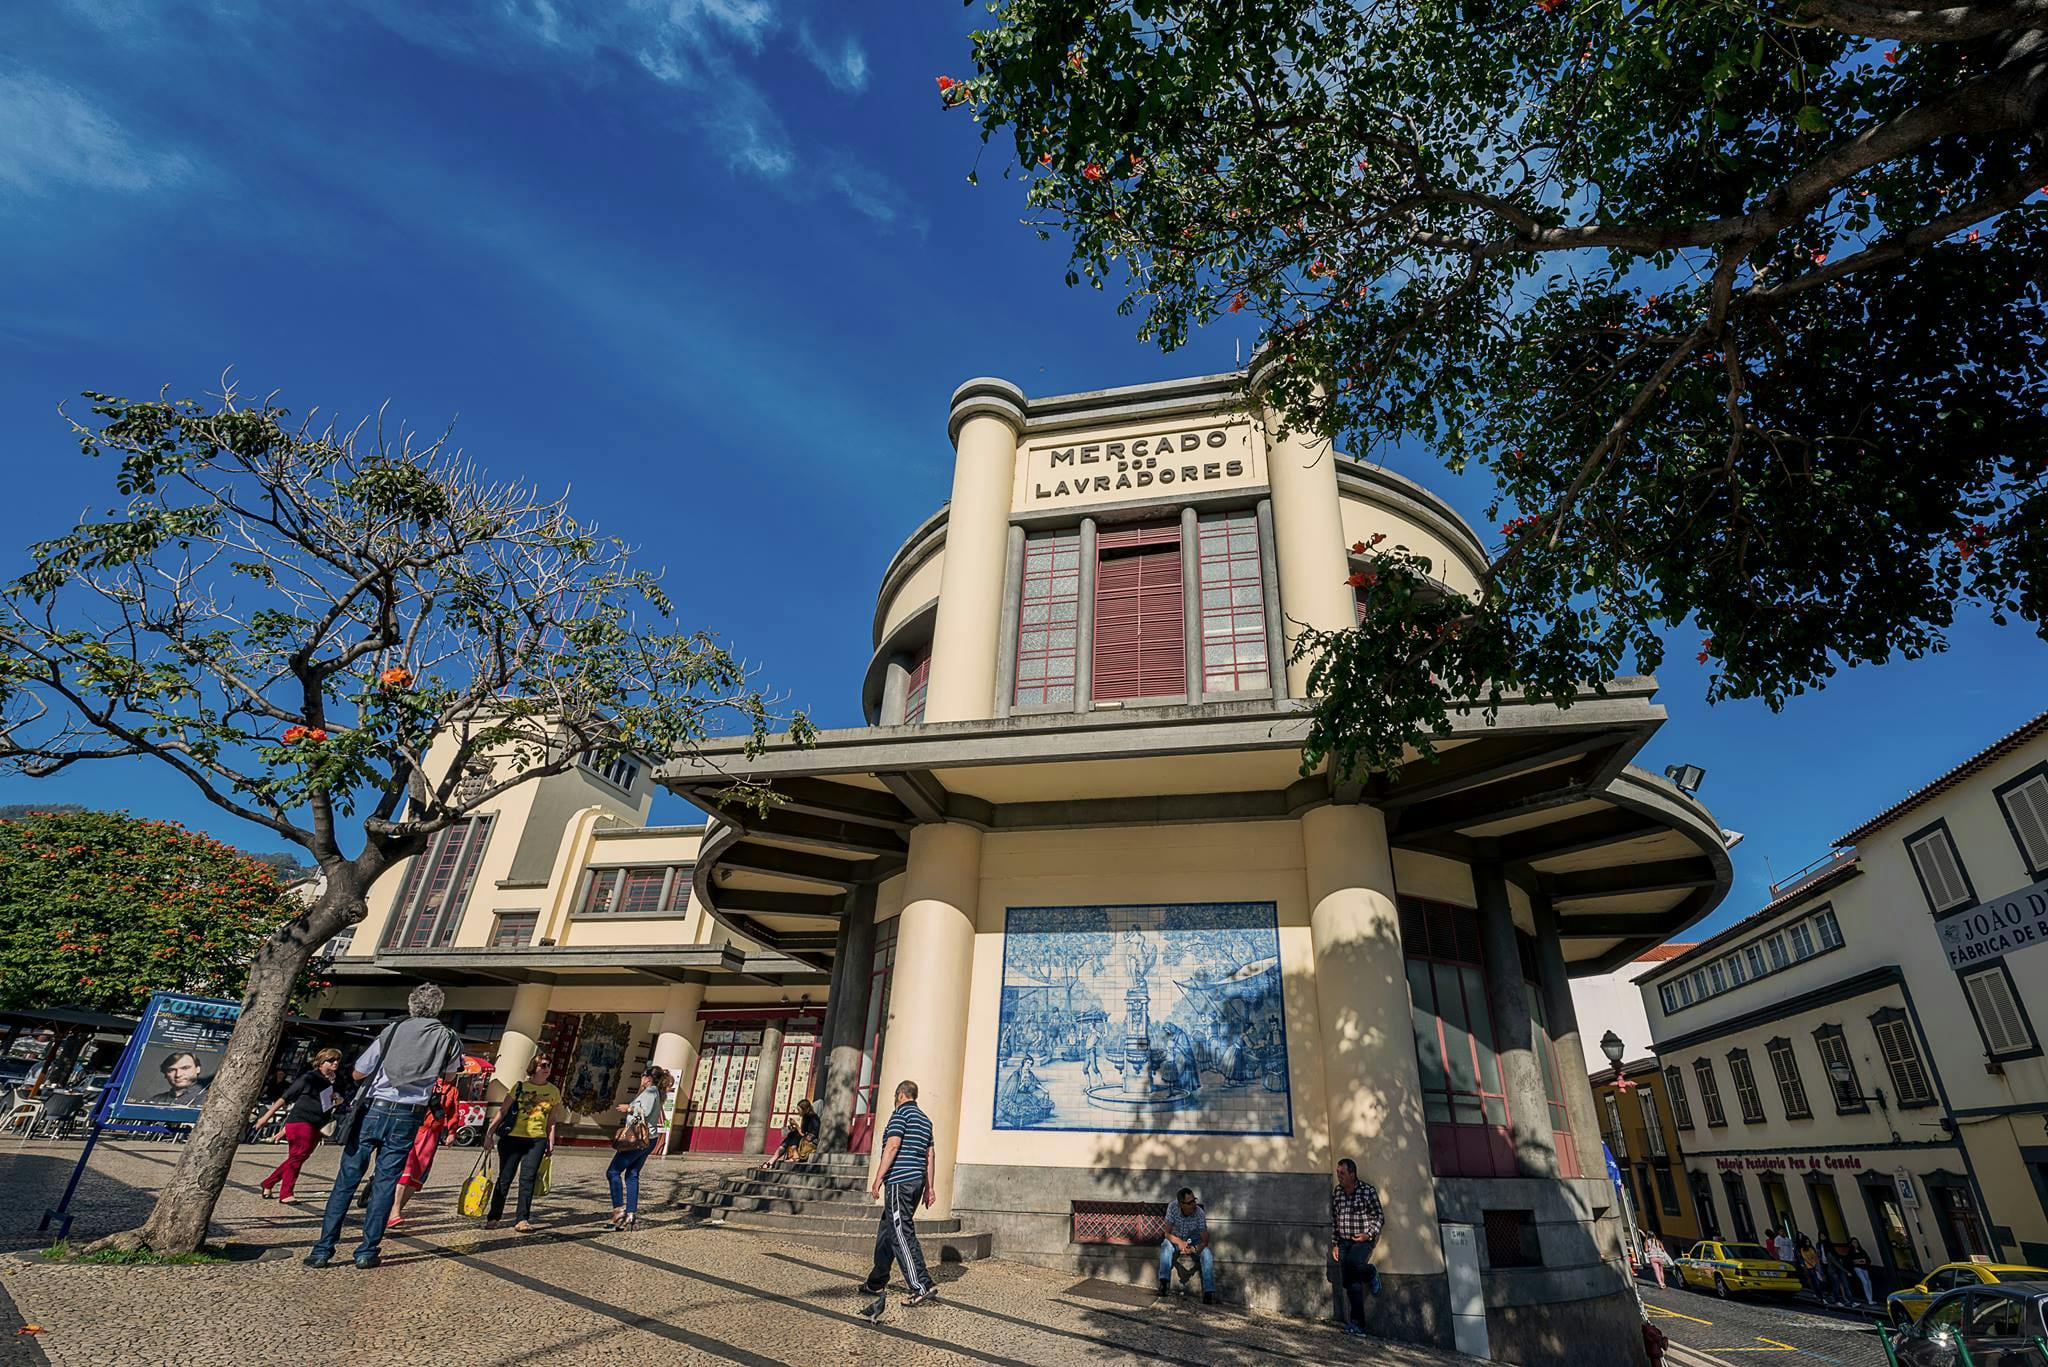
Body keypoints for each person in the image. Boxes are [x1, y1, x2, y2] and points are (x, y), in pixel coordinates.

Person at [305, 985, 463, 1269]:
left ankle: (323, 1249)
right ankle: (366, 1251)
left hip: (374, 1109)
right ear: (438, 1008)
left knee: (346, 1180)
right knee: (386, 1182)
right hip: (409, 1114)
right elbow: (450, 1076)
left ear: (411, 1005)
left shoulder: (392, 1030)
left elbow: (359, 1071)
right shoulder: (448, 1037)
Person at [858, 1079, 938, 1321]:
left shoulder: (900, 1115)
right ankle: (876, 1282)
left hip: (900, 1181)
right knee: (888, 1230)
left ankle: (921, 1285)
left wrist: (878, 1178)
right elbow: (930, 1154)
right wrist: (930, 1187)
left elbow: (892, 1146)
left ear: (899, 1095)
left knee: (901, 1232)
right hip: (916, 1182)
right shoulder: (925, 1120)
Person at [255, 1048, 345, 1203]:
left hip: (319, 1123)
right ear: (321, 1062)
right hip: (301, 1120)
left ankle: (269, 1183)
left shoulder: (336, 1080)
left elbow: (334, 1101)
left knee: (298, 1157)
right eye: (331, 1060)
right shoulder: (309, 1077)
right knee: (298, 1155)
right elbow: (286, 1097)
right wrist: (265, 1117)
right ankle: (286, 1194)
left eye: (337, 1060)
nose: (335, 1063)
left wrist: (338, 1099)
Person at [487, 1054, 561, 1232]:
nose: (546, 1068)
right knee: (505, 1178)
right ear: (534, 1068)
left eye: (549, 1065)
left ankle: (522, 1219)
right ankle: (494, 1216)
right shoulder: (520, 1087)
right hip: (512, 1138)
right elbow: (503, 1111)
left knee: (527, 1179)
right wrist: (489, 1134)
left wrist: (550, 1142)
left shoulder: (553, 1091)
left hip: (537, 1140)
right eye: (543, 1065)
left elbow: (551, 1120)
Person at [389, 1065, 469, 1228]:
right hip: (415, 1129)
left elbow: (454, 1112)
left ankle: (395, 1210)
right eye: (454, 1070)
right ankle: (393, 1211)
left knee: (418, 1174)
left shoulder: (452, 1090)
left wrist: (452, 1131)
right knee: (406, 1169)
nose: (455, 1074)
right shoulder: (428, 1082)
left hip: (432, 1134)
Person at [606, 1064, 669, 1230]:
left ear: (647, 1078)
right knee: (632, 1174)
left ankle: (618, 1209)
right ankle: (631, 1214)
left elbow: (645, 1111)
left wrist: (629, 1107)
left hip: (638, 1139)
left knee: (613, 1171)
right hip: (649, 1139)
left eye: (642, 1076)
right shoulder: (656, 1092)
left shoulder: (650, 1091)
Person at [1330, 1158, 1385, 1338]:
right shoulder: (1337, 1193)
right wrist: (1336, 1244)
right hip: (1344, 1241)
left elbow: (1379, 1217)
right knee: (1350, 1282)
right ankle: (1358, 1325)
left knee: (1354, 1263)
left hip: (1361, 1240)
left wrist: (1368, 1235)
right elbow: (1335, 1220)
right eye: (1338, 1173)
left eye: (1343, 1174)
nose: (1339, 1177)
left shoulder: (1367, 1192)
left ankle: (1370, 1272)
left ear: (1352, 1175)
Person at [1159, 1186, 1217, 1305]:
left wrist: (1193, 1249)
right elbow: (1166, 1234)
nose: (1194, 1204)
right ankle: (1163, 1284)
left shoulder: (1199, 1213)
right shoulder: (1173, 1207)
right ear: (1181, 1204)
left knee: (1207, 1253)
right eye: (1190, 1202)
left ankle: (1209, 1292)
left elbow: (1205, 1241)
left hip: (1194, 1242)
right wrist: (1179, 1242)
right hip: (1177, 1239)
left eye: (1194, 1200)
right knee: (1165, 1245)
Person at [142, 1051, 209, 1106]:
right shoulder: (155, 1100)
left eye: (185, 1068)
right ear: (165, 1074)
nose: (178, 1075)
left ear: (198, 1069)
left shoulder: (209, 1097)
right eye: (171, 1070)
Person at [772, 1098, 819, 1166]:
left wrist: (796, 1125)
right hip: (805, 1139)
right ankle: (774, 1158)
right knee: (792, 1134)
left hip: (810, 1142)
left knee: (793, 1136)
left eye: (799, 1110)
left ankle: (793, 1156)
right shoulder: (806, 1117)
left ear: (805, 1109)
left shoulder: (813, 1118)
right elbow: (802, 1132)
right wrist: (794, 1127)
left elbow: (807, 1136)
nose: (798, 1112)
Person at [1846, 1237, 1875, 1305]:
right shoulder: (1851, 1252)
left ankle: (1871, 1298)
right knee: (1864, 1282)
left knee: (1869, 1282)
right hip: (1857, 1268)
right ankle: (1869, 1299)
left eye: (1856, 1242)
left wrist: (1863, 1261)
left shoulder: (1862, 1251)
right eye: (1853, 1242)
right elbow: (1850, 1261)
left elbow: (1868, 1259)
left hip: (1864, 1267)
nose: (1855, 1244)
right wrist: (1856, 1262)